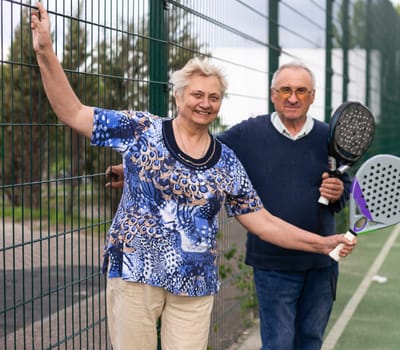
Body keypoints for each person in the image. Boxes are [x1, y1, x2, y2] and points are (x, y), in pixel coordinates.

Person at [30, 3, 355, 350]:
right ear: (178, 95)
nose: (205, 103)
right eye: (197, 95)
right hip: (135, 275)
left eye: (214, 97)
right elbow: (73, 112)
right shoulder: (142, 130)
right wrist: (46, 51)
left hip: (194, 286)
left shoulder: (225, 161)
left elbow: (263, 221)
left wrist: (322, 243)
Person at [107, 61, 355, 349]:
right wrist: (141, 169)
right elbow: (195, 158)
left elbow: (344, 183)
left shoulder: (328, 137)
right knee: (279, 343)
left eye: (301, 91)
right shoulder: (247, 133)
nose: (293, 97)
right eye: (285, 90)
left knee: (311, 341)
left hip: (320, 262)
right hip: (272, 262)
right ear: (273, 94)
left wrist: (339, 191)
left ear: (312, 96)